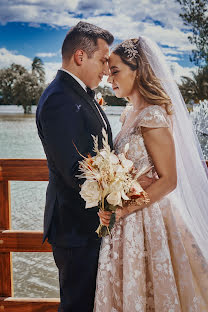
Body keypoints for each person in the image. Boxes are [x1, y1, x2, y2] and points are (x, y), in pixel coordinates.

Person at [95, 37, 208, 311]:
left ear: (138, 70)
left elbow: (169, 180)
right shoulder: (128, 114)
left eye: (116, 71)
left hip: (148, 218)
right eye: (109, 71)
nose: (110, 79)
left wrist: (123, 209)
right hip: (124, 220)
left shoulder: (153, 116)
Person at [36, 21, 114, 311]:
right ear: (81, 56)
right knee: (77, 306)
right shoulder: (59, 99)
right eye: (103, 60)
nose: (107, 69)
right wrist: (118, 194)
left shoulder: (79, 94)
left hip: (89, 225)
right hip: (75, 228)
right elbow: (75, 171)